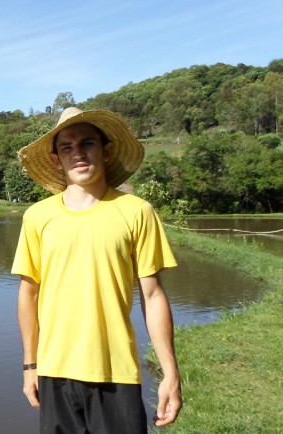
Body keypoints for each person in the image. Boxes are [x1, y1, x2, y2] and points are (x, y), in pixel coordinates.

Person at [11, 107, 182, 433]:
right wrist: (30, 366)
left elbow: (153, 294)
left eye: (87, 143)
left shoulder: (136, 212)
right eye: (67, 146)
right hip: (54, 373)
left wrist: (170, 373)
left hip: (116, 374)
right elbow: (28, 293)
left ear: (106, 150)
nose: (78, 153)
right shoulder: (37, 217)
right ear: (55, 159)